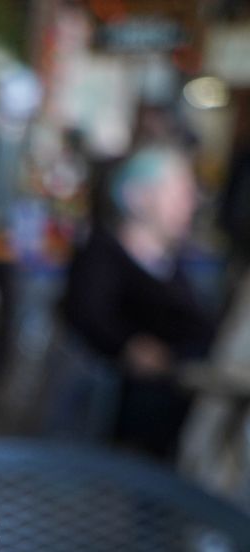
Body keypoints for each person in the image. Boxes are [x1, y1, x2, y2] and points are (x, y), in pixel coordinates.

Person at [62, 144, 216, 458]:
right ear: (138, 197)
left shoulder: (170, 261)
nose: (189, 204)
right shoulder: (101, 254)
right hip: (120, 419)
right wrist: (129, 346)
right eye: (177, 194)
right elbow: (85, 316)